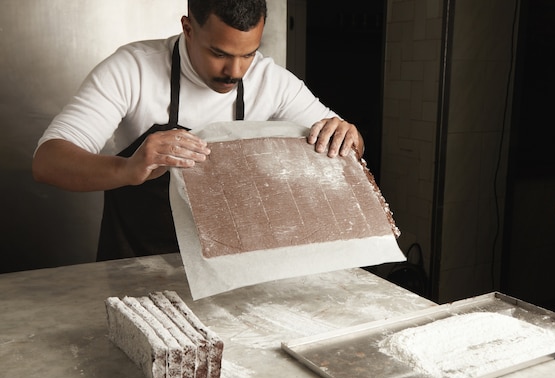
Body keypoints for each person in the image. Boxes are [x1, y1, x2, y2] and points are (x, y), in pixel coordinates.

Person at [32, 0, 365, 261]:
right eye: (218, 53)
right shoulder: (133, 69)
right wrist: (127, 168)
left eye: (248, 54)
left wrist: (347, 135)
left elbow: (351, 146)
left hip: (232, 268)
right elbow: (47, 161)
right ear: (188, 28)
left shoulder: (271, 81)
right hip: (133, 268)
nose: (234, 71)